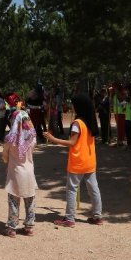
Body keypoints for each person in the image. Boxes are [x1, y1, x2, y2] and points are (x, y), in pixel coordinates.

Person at [45, 94, 104, 227]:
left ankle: (70, 218)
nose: (72, 106)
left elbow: (72, 142)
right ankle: (97, 216)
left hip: (78, 161)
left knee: (72, 189)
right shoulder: (90, 122)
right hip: (89, 160)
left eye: (73, 104)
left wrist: (53, 139)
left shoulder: (78, 123)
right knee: (94, 189)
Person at [2, 110, 37, 237]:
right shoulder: (32, 139)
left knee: (13, 201)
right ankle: (29, 227)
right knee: (30, 201)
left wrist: (8, 161)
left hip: (15, 174)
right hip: (29, 174)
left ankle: (12, 228)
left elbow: (5, 156)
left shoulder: (10, 139)